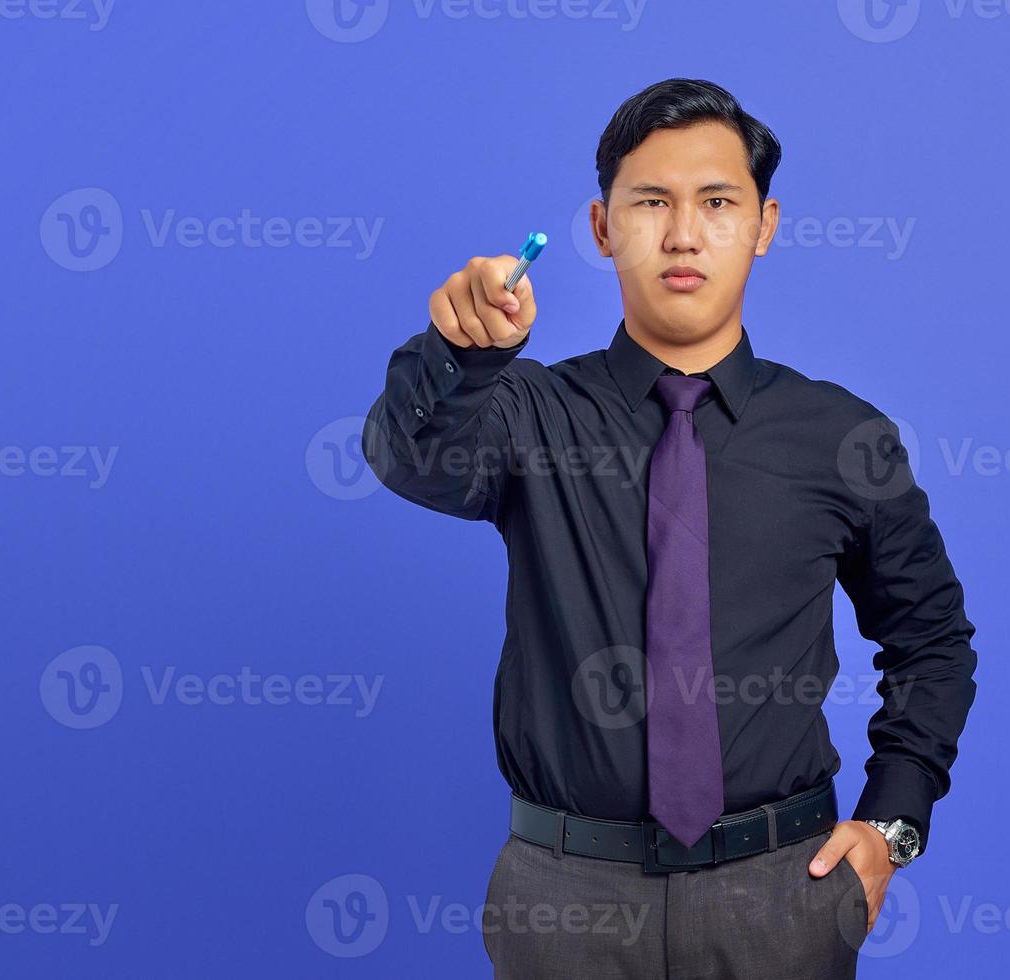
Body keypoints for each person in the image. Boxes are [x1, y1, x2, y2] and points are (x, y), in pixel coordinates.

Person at [362, 77, 978, 979]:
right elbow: (409, 455)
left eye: (717, 203)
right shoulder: (525, 411)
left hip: (781, 894)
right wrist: (457, 353)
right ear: (604, 227)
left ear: (764, 226)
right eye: (651, 202)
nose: (683, 233)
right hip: (564, 896)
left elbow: (932, 641)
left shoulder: (842, 437)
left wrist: (893, 822)